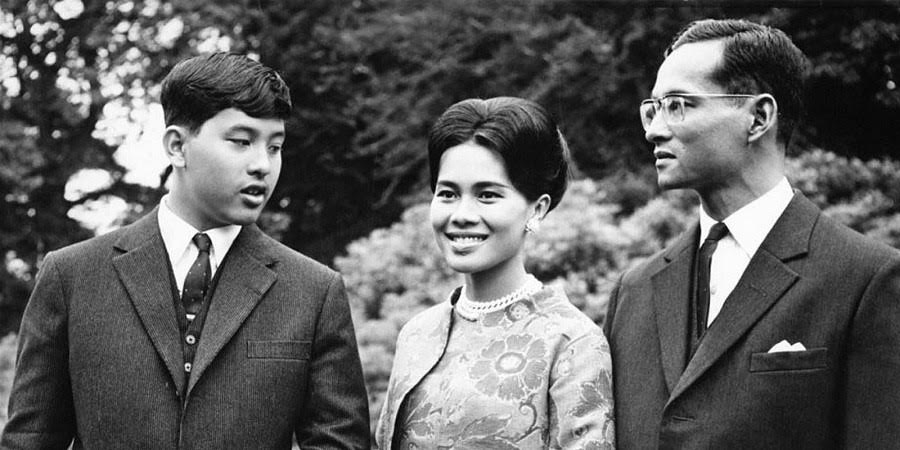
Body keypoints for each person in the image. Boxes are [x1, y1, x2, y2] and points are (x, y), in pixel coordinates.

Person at [1, 52, 369, 449]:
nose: (263, 164)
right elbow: (29, 441)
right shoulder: (71, 277)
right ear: (177, 146)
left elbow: (340, 443)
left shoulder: (314, 291)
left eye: (275, 147)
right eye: (242, 141)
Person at [604, 18, 900, 449]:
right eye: (653, 108)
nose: (654, 129)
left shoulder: (868, 280)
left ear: (758, 117)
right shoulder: (632, 292)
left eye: (678, 105)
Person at [375, 97, 615, 449]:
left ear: (537, 208)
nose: (461, 214)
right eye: (447, 193)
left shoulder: (571, 342)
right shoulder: (417, 334)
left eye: (487, 195)